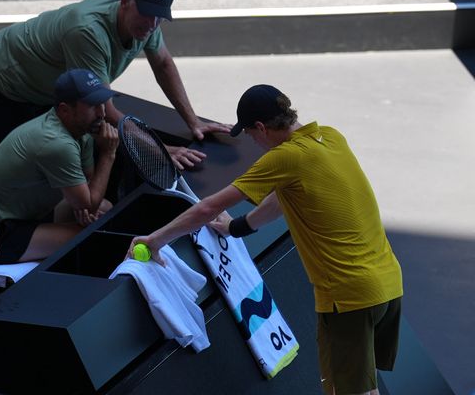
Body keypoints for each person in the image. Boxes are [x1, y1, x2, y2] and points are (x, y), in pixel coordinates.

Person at [129, 84, 403, 395]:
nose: (254, 142)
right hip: (388, 286)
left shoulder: (284, 158)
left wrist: (155, 240)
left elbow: (209, 207)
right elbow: (280, 198)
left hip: (349, 296)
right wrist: (237, 228)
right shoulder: (330, 136)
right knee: (364, 389)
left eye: (249, 134)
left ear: (261, 127)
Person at [0, 0, 230, 178]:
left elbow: (163, 64)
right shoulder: (88, 32)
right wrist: (159, 151)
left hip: (48, 88)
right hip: (6, 75)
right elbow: (107, 111)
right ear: (125, 2)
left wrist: (193, 122)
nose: (152, 25)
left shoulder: (146, 18)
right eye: (147, 14)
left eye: (160, 17)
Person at [0, 69, 119, 263]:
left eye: (102, 103)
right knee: (95, 232)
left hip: (28, 212)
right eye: (92, 105)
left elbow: (89, 188)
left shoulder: (83, 130)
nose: (102, 113)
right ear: (65, 110)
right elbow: (88, 204)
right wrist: (108, 154)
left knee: (106, 209)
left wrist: (83, 208)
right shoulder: (56, 142)